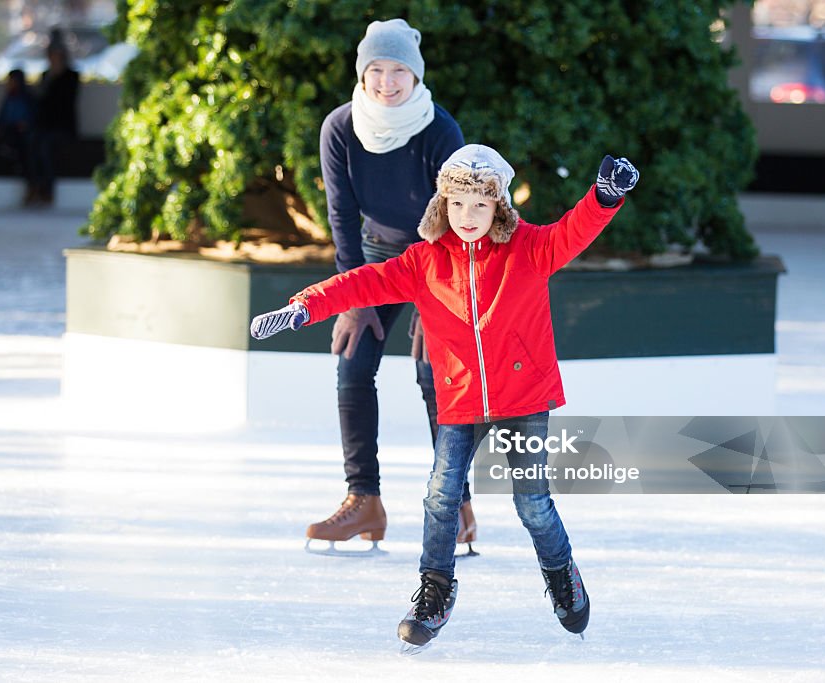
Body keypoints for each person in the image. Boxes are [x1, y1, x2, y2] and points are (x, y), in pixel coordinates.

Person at [250, 144, 639, 649]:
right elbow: (364, 283)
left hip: (524, 398)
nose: (468, 215)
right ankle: (435, 589)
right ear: (442, 206)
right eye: (457, 204)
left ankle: (562, 574)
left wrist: (604, 196)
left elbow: (573, 231)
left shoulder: (528, 248)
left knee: (533, 504)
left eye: (480, 204)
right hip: (460, 398)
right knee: (440, 498)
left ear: (499, 206)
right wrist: (306, 306)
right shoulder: (424, 261)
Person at [310, 17, 477, 554]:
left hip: (439, 254)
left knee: (436, 372)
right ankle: (365, 502)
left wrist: (437, 307)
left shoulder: (439, 130)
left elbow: (455, 218)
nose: (386, 81)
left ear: (415, 75)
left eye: (398, 70)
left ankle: (458, 504)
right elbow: (342, 214)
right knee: (353, 360)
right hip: (378, 253)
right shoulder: (339, 128)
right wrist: (352, 297)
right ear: (362, 74)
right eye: (376, 69)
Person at [28, 30, 80, 206]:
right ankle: (34, 187)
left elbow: (64, 103)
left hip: (63, 128)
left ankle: (47, 190)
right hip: (44, 127)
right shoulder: (46, 76)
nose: (53, 58)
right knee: (32, 142)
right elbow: (41, 103)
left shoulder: (71, 77)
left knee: (44, 146)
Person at [0, 69, 36, 203]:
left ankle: (32, 186)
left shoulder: (27, 99)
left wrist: (25, 125)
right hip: (9, 133)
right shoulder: (9, 99)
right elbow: (1, 119)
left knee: (27, 149)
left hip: (24, 135)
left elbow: (32, 119)